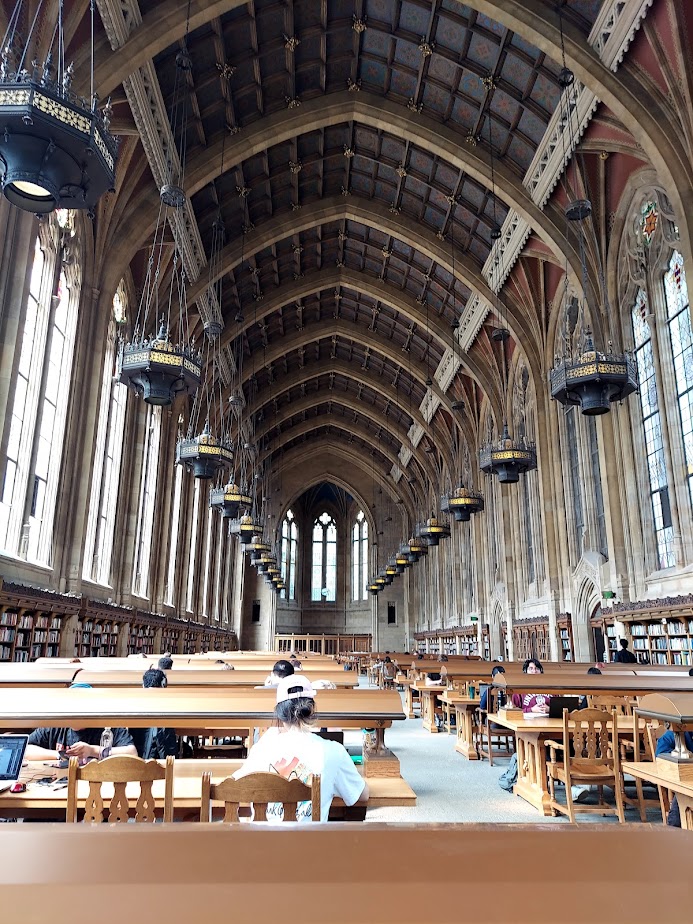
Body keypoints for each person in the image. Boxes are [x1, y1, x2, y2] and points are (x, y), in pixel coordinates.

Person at [233, 675, 368, 821]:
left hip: (264, 843)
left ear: (279, 713)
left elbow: (235, 786)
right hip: (310, 843)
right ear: (311, 709)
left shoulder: (261, 749)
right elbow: (362, 794)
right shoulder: (333, 751)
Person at [25, 684, 136, 761]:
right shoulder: (56, 726)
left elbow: (132, 753)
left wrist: (92, 751)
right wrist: (61, 755)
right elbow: (26, 749)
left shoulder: (108, 727)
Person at [129, 669, 178, 759]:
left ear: (143, 685)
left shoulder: (133, 705)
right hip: (165, 763)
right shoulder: (170, 706)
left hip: (137, 760)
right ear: (163, 685)